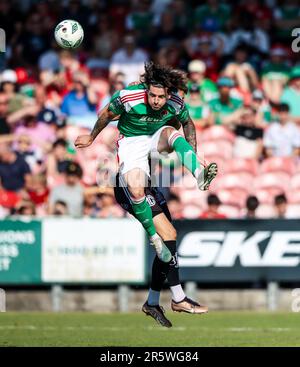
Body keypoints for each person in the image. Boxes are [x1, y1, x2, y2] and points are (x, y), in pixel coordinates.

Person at [75, 62, 218, 265]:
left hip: (155, 137)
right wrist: (91, 138)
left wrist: (193, 154)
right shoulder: (128, 96)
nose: (157, 101)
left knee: (171, 133)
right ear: (147, 90)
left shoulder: (176, 102)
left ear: (168, 94)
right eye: (153, 96)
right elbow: (106, 114)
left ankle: (199, 173)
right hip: (131, 142)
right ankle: (154, 238)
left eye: (161, 97)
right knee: (136, 190)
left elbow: (188, 123)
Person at [114, 170, 208, 328]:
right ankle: (178, 298)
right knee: (169, 234)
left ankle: (152, 302)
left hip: (149, 184)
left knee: (168, 240)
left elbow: (163, 147)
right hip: (132, 184)